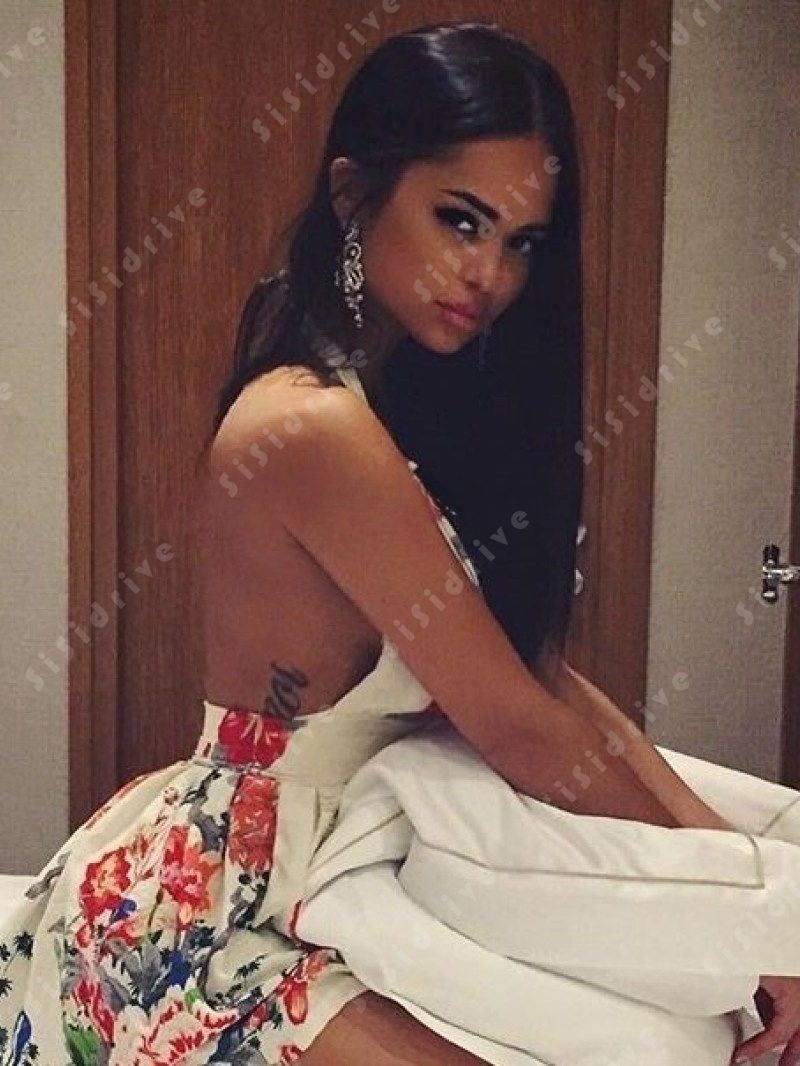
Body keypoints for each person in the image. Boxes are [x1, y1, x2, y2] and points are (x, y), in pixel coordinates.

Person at [2, 18, 800, 1066]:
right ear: (353, 196)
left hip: (370, 871)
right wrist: (752, 916)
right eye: (459, 220)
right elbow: (518, 725)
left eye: (521, 242)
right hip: (229, 909)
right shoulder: (312, 426)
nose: (488, 274)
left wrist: (750, 884)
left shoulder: (403, 411)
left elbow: (541, 678)